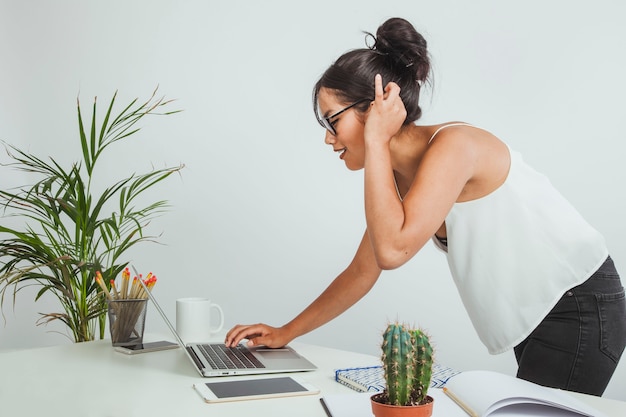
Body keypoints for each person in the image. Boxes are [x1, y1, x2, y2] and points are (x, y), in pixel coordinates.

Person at [225, 17, 626, 396]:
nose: (329, 139)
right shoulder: (400, 176)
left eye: (332, 121)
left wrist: (378, 140)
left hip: (580, 307)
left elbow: (392, 251)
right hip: (545, 316)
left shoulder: (454, 147)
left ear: (378, 106)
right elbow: (364, 270)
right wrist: (286, 332)